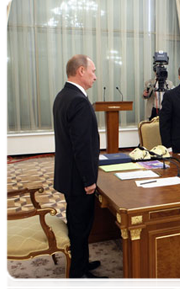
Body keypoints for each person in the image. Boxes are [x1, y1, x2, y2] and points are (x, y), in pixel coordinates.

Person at [53, 55, 109, 287]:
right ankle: (77, 274)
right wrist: (89, 180)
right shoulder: (77, 100)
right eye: (93, 72)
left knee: (79, 223)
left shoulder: (63, 95)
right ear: (81, 71)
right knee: (80, 225)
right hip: (79, 179)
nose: (95, 77)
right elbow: (81, 146)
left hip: (69, 175)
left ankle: (82, 262)